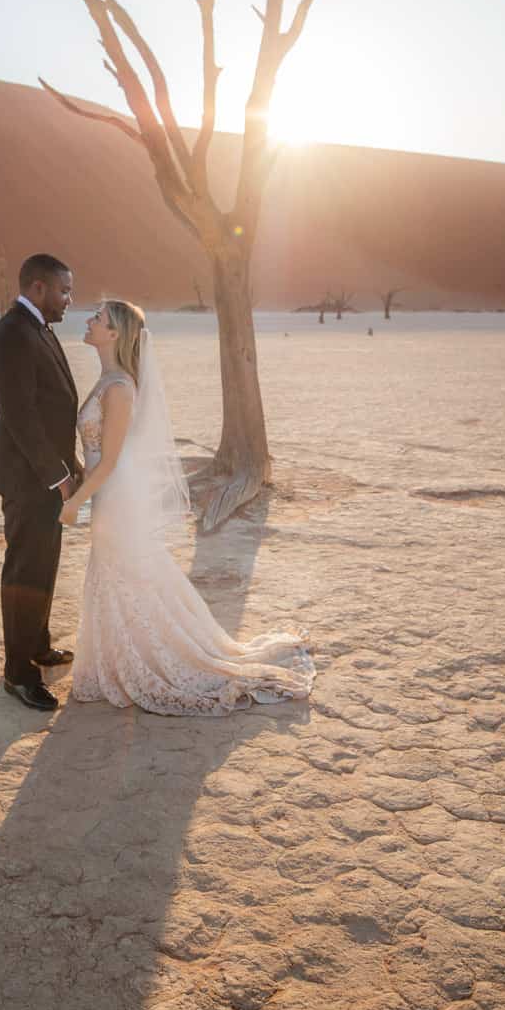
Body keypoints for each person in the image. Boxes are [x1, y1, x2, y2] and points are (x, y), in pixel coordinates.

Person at [59, 300, 315, 716]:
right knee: (121, 573)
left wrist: (74, 504)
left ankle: (156, 659)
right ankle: (117, 657)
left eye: (98, 319)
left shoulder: (120, 388)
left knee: (129, 573)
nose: (88, 321)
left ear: (115, 334)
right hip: (109, 494)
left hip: (116, 496)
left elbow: (108, 461)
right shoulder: (108, 380)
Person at [0, 254, 80, 712]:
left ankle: (37, 646)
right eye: (64, 291)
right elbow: (20, 417)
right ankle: (17, 674)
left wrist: (70, 465)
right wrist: (57, 474)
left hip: (47, 476)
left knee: (45, 565)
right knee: (24, 572)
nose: (69, 300)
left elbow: (51, 408)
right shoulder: (11, 335)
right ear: (39, 287)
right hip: (28, 479)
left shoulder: (38, 328)